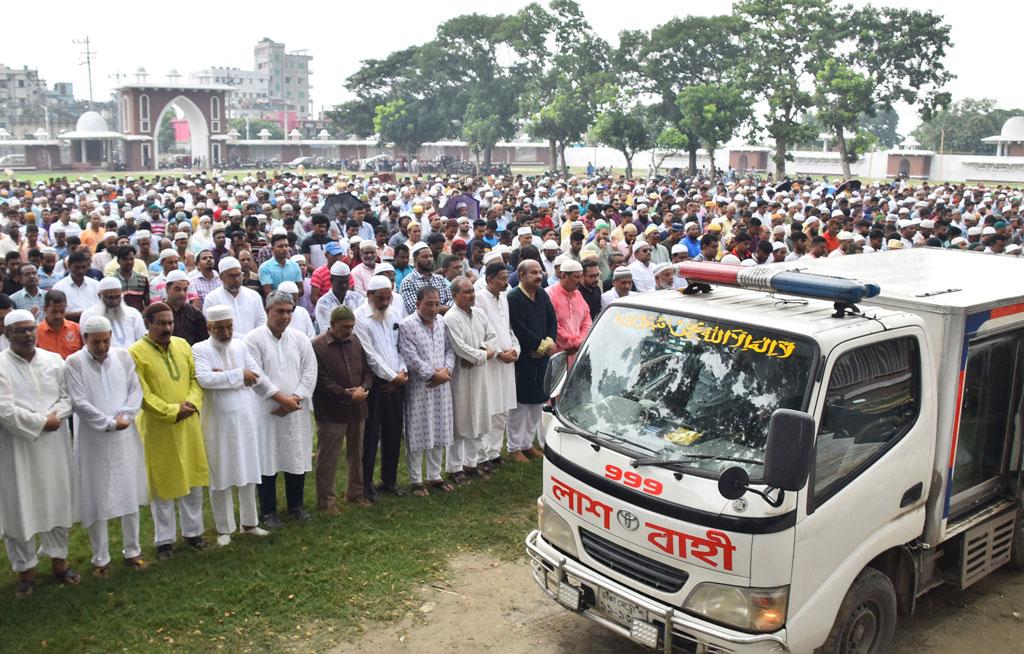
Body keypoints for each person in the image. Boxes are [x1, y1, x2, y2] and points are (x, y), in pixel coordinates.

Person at [0, 310, 77, 598]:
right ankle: (26, 572)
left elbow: (67, 397)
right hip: (17, 447)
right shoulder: (1, 365)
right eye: (20, 330)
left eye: (31, 329)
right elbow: (4, 410)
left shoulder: (53, 361)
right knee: (19, 507)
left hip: (54, 444)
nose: (28, 335)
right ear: (7, 334)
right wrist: (41, 422)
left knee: (57, 500)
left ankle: (60, 564)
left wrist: (52, 418)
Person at [65, 316, 148, 576]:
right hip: (93, 438)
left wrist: (125, 415)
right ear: (85, 339)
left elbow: (136, 390)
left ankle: (133, 551)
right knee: (96, 494)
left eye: (106, 340)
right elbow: (78, 401)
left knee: (129, 490)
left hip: (125, 434)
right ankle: (100, 558)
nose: (102, 346)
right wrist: (108, 423)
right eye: (96, 341)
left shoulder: (123, 357)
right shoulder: (74, 363)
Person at [129, 302, 209, 560]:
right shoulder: (135, 353)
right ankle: (164, 541)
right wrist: (172, 411)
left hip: (188, 423)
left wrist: (192, 404)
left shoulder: (183, 345)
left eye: (170, 323)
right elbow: (142, 393)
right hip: (159, 427)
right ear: (147, 324)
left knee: (192, 479)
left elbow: (196, 380)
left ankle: (193, 532)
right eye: (161, 323)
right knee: (163, 483)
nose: (166, 328)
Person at [192, 305, 271, 546]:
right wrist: (238, 375)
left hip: (245, 415)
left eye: (229, 327)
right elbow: (205, 379)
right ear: (209, 328)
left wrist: (225, 375)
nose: (226, 333)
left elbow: (256, 374)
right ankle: (224, 528)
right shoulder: (199, 349)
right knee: (221, 470)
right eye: (220, 328)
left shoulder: (241, 344)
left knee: (247, 468)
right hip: (217, 419)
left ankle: (250, 523)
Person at [246, 291, 317, 526]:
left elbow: (310, 372)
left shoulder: (300, 338)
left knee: (295, 453)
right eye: (280, 311)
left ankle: (296, 505)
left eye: (289, 311)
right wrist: (280, 399)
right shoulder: (253, 339)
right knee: (268, 457)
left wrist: (294, 399)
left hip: (295, 409)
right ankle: (268, 511)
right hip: (267, 409)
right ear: (268, 311)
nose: (285, 316)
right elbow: (257, 376)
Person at [311, 305, 373, 514]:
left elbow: (367, 370)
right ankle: (326, 500)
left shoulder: (355, 341)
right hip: (331, 410)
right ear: (332, 325)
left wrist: (364, 388)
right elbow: (321, 380)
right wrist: (347, 394)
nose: (348, 330)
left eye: (351, 326)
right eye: (344, 327)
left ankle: (355, 492)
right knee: (328, 456)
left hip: (357, 407)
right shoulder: (318, 346)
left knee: (357, 452)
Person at [353, 275, 408, 501]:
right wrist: (391, 377)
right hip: (375, 386)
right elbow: (370, 355)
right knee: (370, 437)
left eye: (388, 298)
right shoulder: (360, 318)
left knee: (393, 433)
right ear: (369, 296)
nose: (385, 302)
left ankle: (389, 480)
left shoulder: (394, 313)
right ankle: (366, 484)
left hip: (396, 383)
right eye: (381, 299)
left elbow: (401, 345)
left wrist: (402, 372)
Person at [399, 286, 455, 496]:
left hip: (442, 385)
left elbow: (450, 349)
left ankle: (434, 475)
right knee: (417, 431)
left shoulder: (442, 322)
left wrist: (446, 370)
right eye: (428, 304)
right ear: (417, 304)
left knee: (439, 427)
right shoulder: (407, 325)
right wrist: (432, 375)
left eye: (436, 303)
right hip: (420, 386)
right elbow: (410, 356)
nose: (433, 309)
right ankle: (415, 480)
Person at [444, 277, 497, 484]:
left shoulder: (480, 314)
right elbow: (459, 348)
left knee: (479, 418)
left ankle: (471, 462)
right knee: (461, 421)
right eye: (466, 292)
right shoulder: (450, 318)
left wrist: (482, 353)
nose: (472, 295)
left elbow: (492, 337)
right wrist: (482, 356)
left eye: (473, 291)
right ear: (454, 295)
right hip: (461, 377)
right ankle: (455, 467)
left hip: (479, 374)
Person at [506, 260, 557, 462]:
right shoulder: (514, 298)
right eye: (533, 273)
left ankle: (527, 444)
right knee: (520, 404)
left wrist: (549, 343)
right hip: (524, 358)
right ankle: (514, 446)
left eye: (540, 272)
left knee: (537, 402)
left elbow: (552, 320)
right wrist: (539, 346)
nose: (539, 276)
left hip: (542, 357)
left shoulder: (542, 294)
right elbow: (518, 328)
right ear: (521, 276)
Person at [474, 261, 520, 471]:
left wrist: (515, 349)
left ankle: (494, 452)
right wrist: (499, 353)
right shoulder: (480, 299)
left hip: (507, 360)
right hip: (491, 362)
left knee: (503, 409)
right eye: (501, 278)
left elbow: (507, 327)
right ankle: (482, 455)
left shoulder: (504, 297)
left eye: (506, 277)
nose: (505, 281)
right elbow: (481, 331)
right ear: (489, 279)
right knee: (490, 409)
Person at [203, 256, 266, 336]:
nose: (236, 280)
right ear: (221, 277)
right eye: (232, 276)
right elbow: (214, 328)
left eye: (238, 275)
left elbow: (261, 322)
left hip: (253, 345)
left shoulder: (254, 296)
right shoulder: (212, 299)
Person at [546, 259, 591, 363]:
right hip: (558, 355)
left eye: (581, 276)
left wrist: (580, 342)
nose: (580, 281)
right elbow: (552, 325)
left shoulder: (578, 294)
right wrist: (571, 343)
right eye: (576, 277)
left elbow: (587, 321)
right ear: (564, 275)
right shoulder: (549, 295)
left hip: (578, 352)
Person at [80, 276, 146, 349]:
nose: (115, 302)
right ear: (100, 295)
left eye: (118, 297)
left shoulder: (133, 313)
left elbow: (142, 340)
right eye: (110, 298)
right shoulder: (89, 315)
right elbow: (88, 344)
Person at [399, 242, 453, 316]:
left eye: (431, 256)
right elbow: (414, 310)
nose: (429, 259)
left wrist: (430, 308)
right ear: (415, 259)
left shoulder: (439, 279)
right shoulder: (408, 282)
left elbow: (451, 302)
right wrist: (444, 308)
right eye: (425, 257)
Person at [315, 261, 366, 334]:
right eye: (340, 282)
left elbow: (363, 324)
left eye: (346, 282)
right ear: (331, 281)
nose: (344, 286)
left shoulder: (358, 298)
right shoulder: (323, 303)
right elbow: (326, 330)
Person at [52, 251, 99, 322]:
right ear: (69, 266)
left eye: (84, 267)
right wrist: (84, 315)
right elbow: (58, 313)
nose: (81, 271)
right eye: (77, 267)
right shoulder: (59, 287)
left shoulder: (96, 285)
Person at [37, 290, 83, 359]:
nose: (58, 316)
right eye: (54, 312)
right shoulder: (36, 332)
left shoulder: (76, 329)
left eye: (62, 311)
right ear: (45, 309)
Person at [165, 270, 208, 345]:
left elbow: (203, 341)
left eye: (185, 289)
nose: (182, 293)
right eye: (177, 289)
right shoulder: (158, 312)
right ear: (167, 289)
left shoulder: (195, 313)